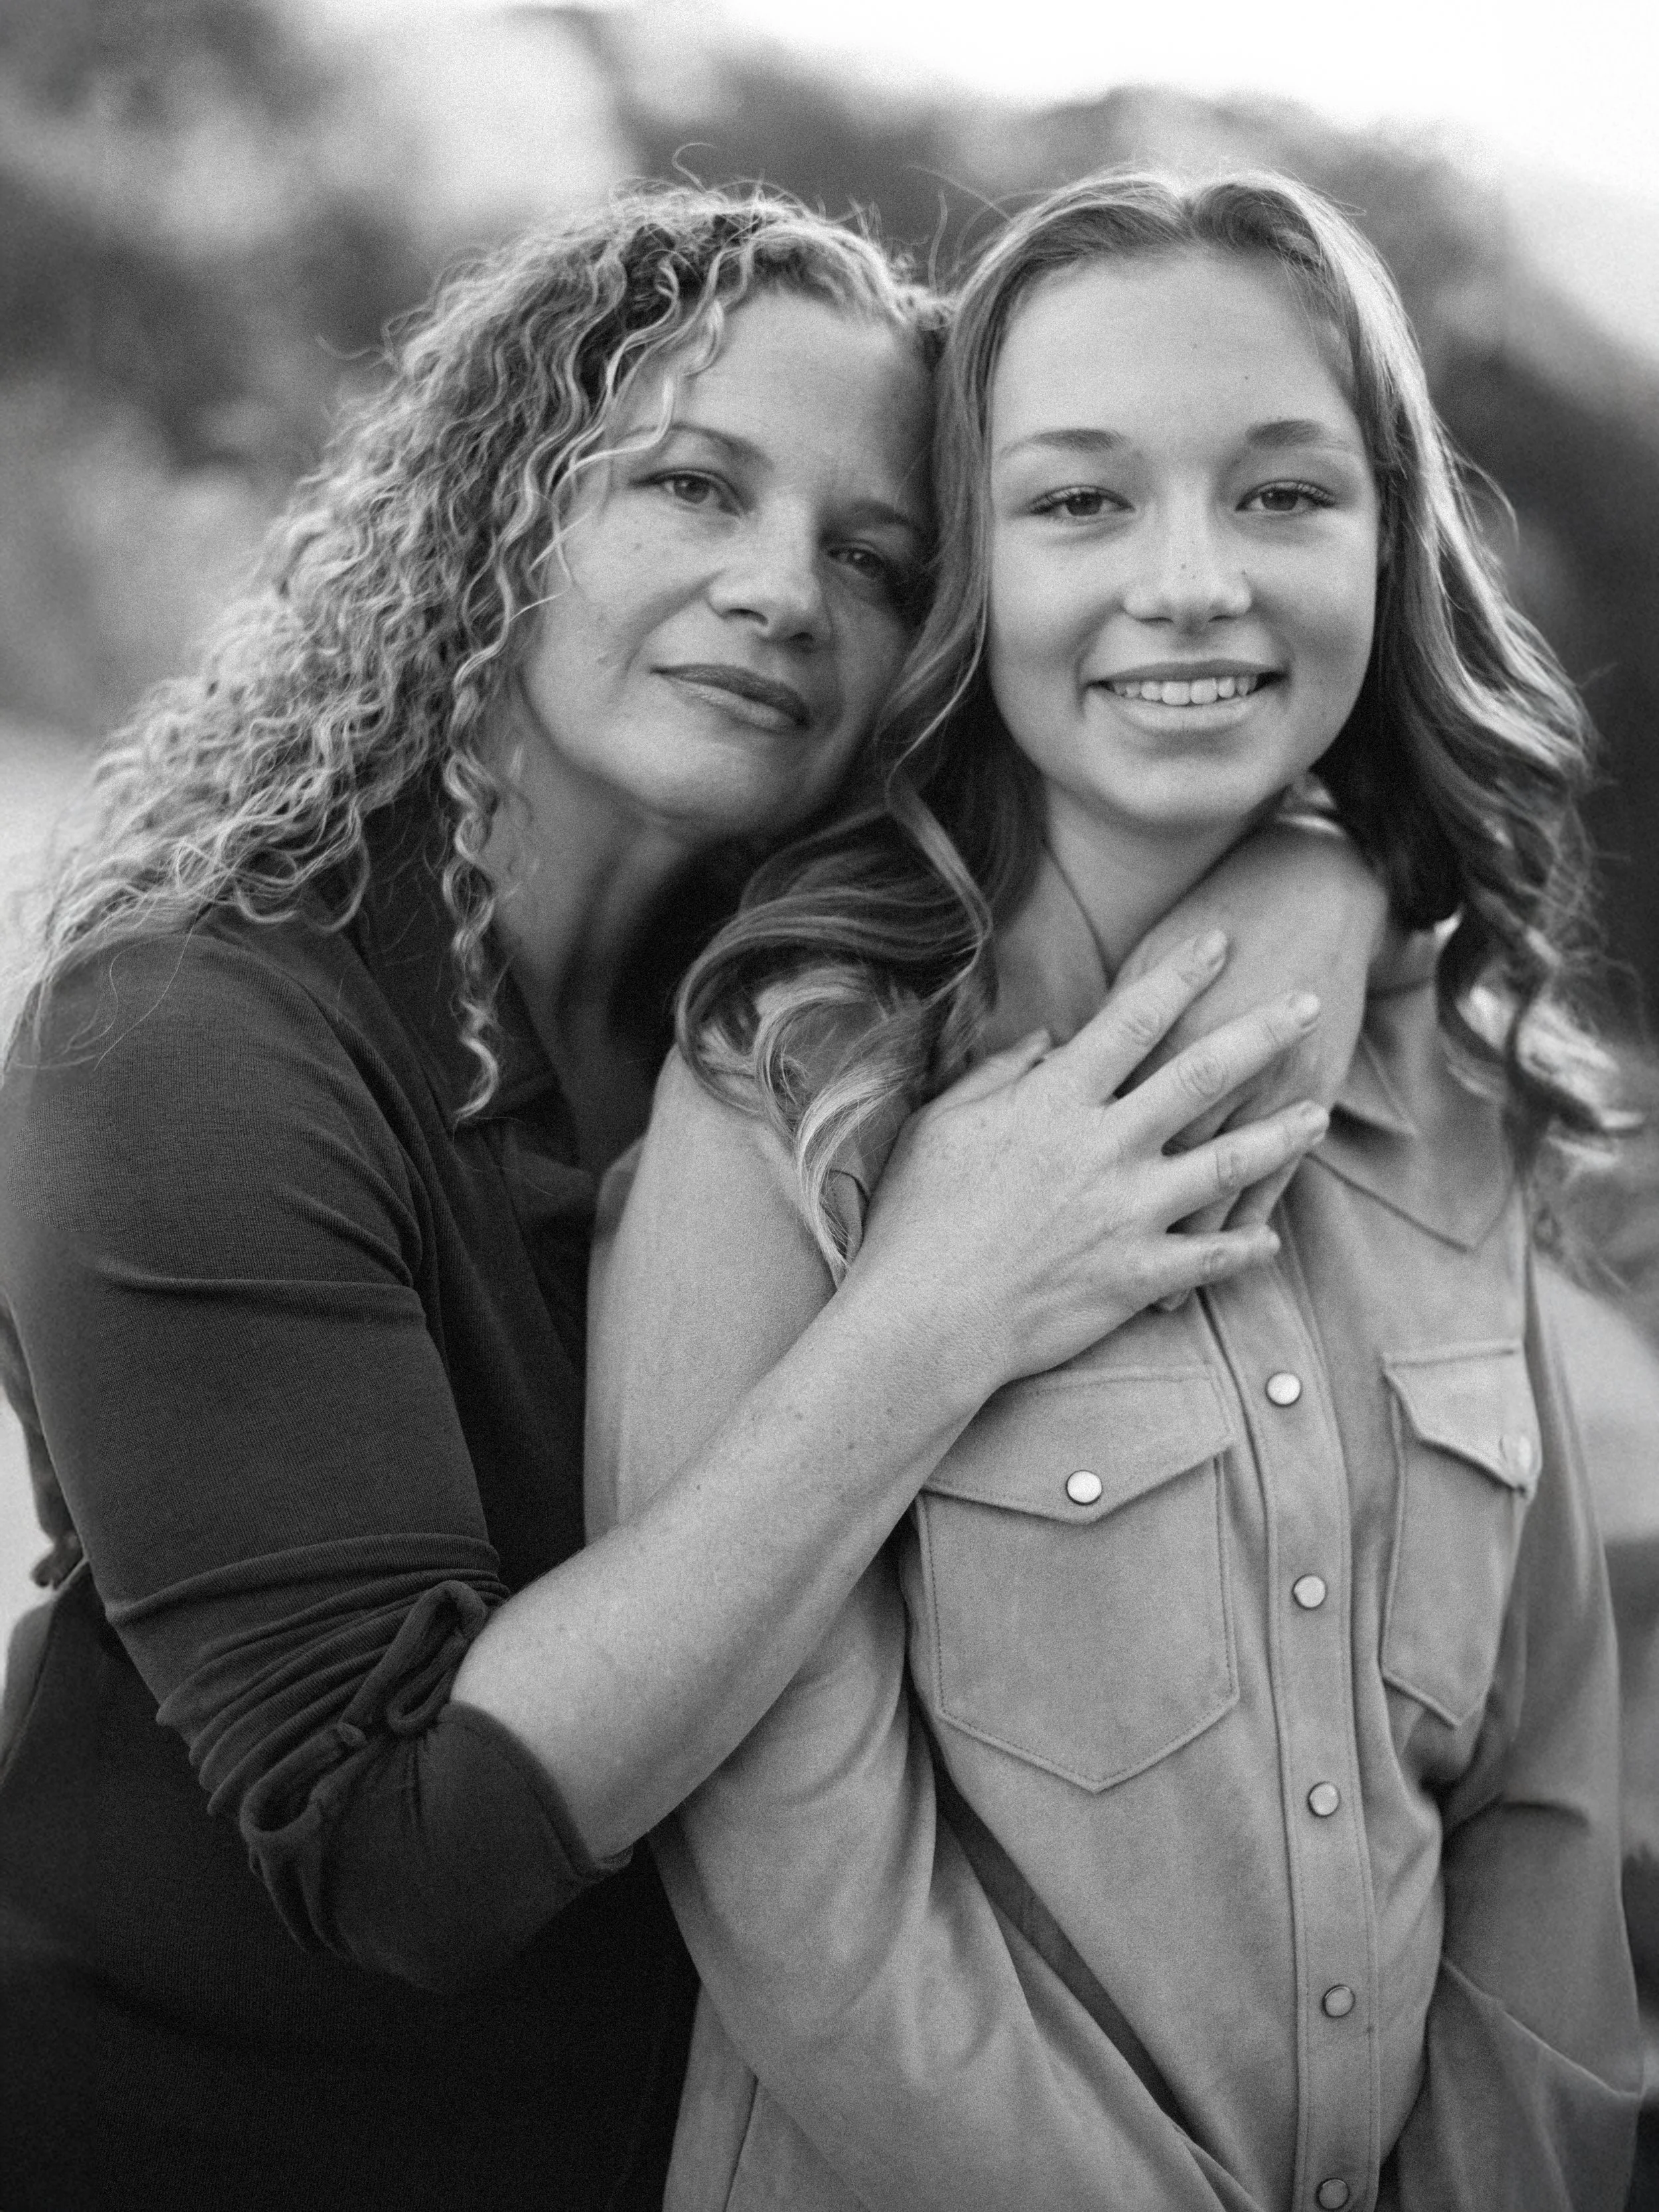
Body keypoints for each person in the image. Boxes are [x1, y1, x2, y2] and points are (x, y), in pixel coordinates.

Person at [0, 189, 1392, 2210]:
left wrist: (1326, 877)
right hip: (193, 2125)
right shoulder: (190, 1037)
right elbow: (399, 1843)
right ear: (501, 509)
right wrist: (931, 1313)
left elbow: (1254, 830)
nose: (780, 591)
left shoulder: (802, 995)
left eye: (871, 553)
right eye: (690, 485)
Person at [591, 171, 1643, 2209]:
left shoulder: (1451, 1091)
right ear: (968, 565)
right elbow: (792, 1861)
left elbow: (1547, 1784)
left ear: (1388, 539)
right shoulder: (790, 1098)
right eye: (1079, 502)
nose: (1192, 584)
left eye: (1279, 496)